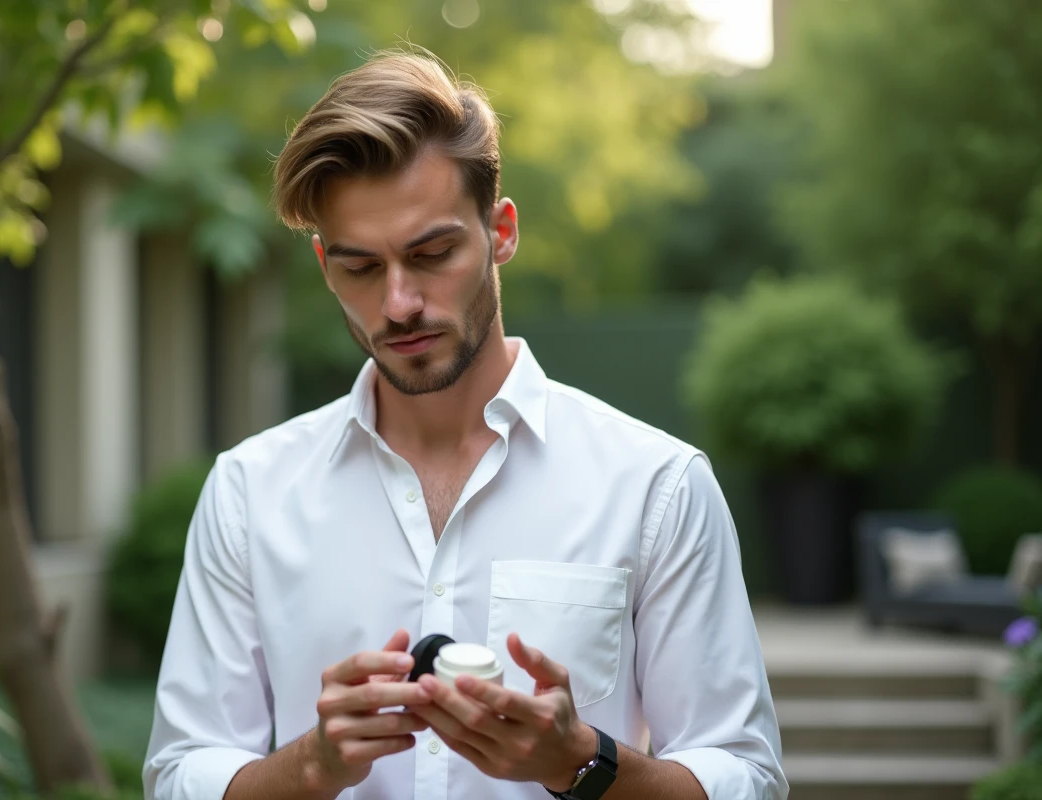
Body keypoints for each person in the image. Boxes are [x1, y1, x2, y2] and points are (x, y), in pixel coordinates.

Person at [143, 50, 787, 800]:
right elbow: (179, 774)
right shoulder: (249, 493)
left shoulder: (656, 487)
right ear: (324, 266)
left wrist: (581, 763)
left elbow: (746, 777)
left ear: (500, 232)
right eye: (360, 268)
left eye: (433, 253)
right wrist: (309, 767)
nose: (398, 304)